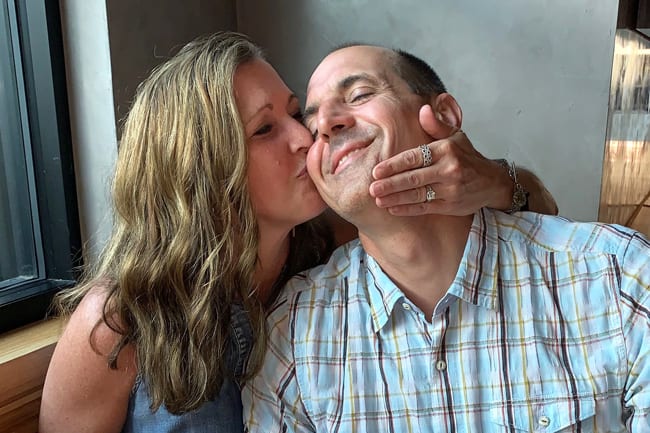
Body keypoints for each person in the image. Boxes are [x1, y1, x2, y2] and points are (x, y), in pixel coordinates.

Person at [39, 32, 556, 433]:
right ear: (203, 172)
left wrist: (493, 178)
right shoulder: (118, 324)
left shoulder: (335, 242)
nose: (305, 135)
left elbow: (543, 212)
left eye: (294, 113)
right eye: (266, 129)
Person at [242, 44, 650, 432]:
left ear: (445, 115)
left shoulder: (619, 279)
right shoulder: (291, 338)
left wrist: (504, 181)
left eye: (360, 93)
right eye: (312, 125)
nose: (323, 127)